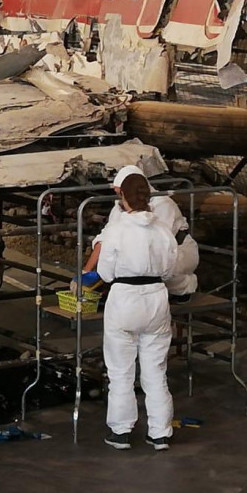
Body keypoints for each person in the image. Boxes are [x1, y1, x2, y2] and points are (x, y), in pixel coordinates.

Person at [93, 170, 179, 451]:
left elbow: (104, 273)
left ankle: (120, 431)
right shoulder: (163, 231)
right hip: (156, 298)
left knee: (120, 370)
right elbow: (169, 270)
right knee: (155, 369)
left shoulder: (117, 230)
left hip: (124, 299)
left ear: (123, 197)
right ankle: (160, 433)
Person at [84, 165, 198, 299]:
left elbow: (160, 250)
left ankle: (184, 290)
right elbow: (105, 238)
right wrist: (85, 273)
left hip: (177, 252)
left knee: (156, 273)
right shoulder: (120, 207)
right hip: (145, 280)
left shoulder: (164, 206)